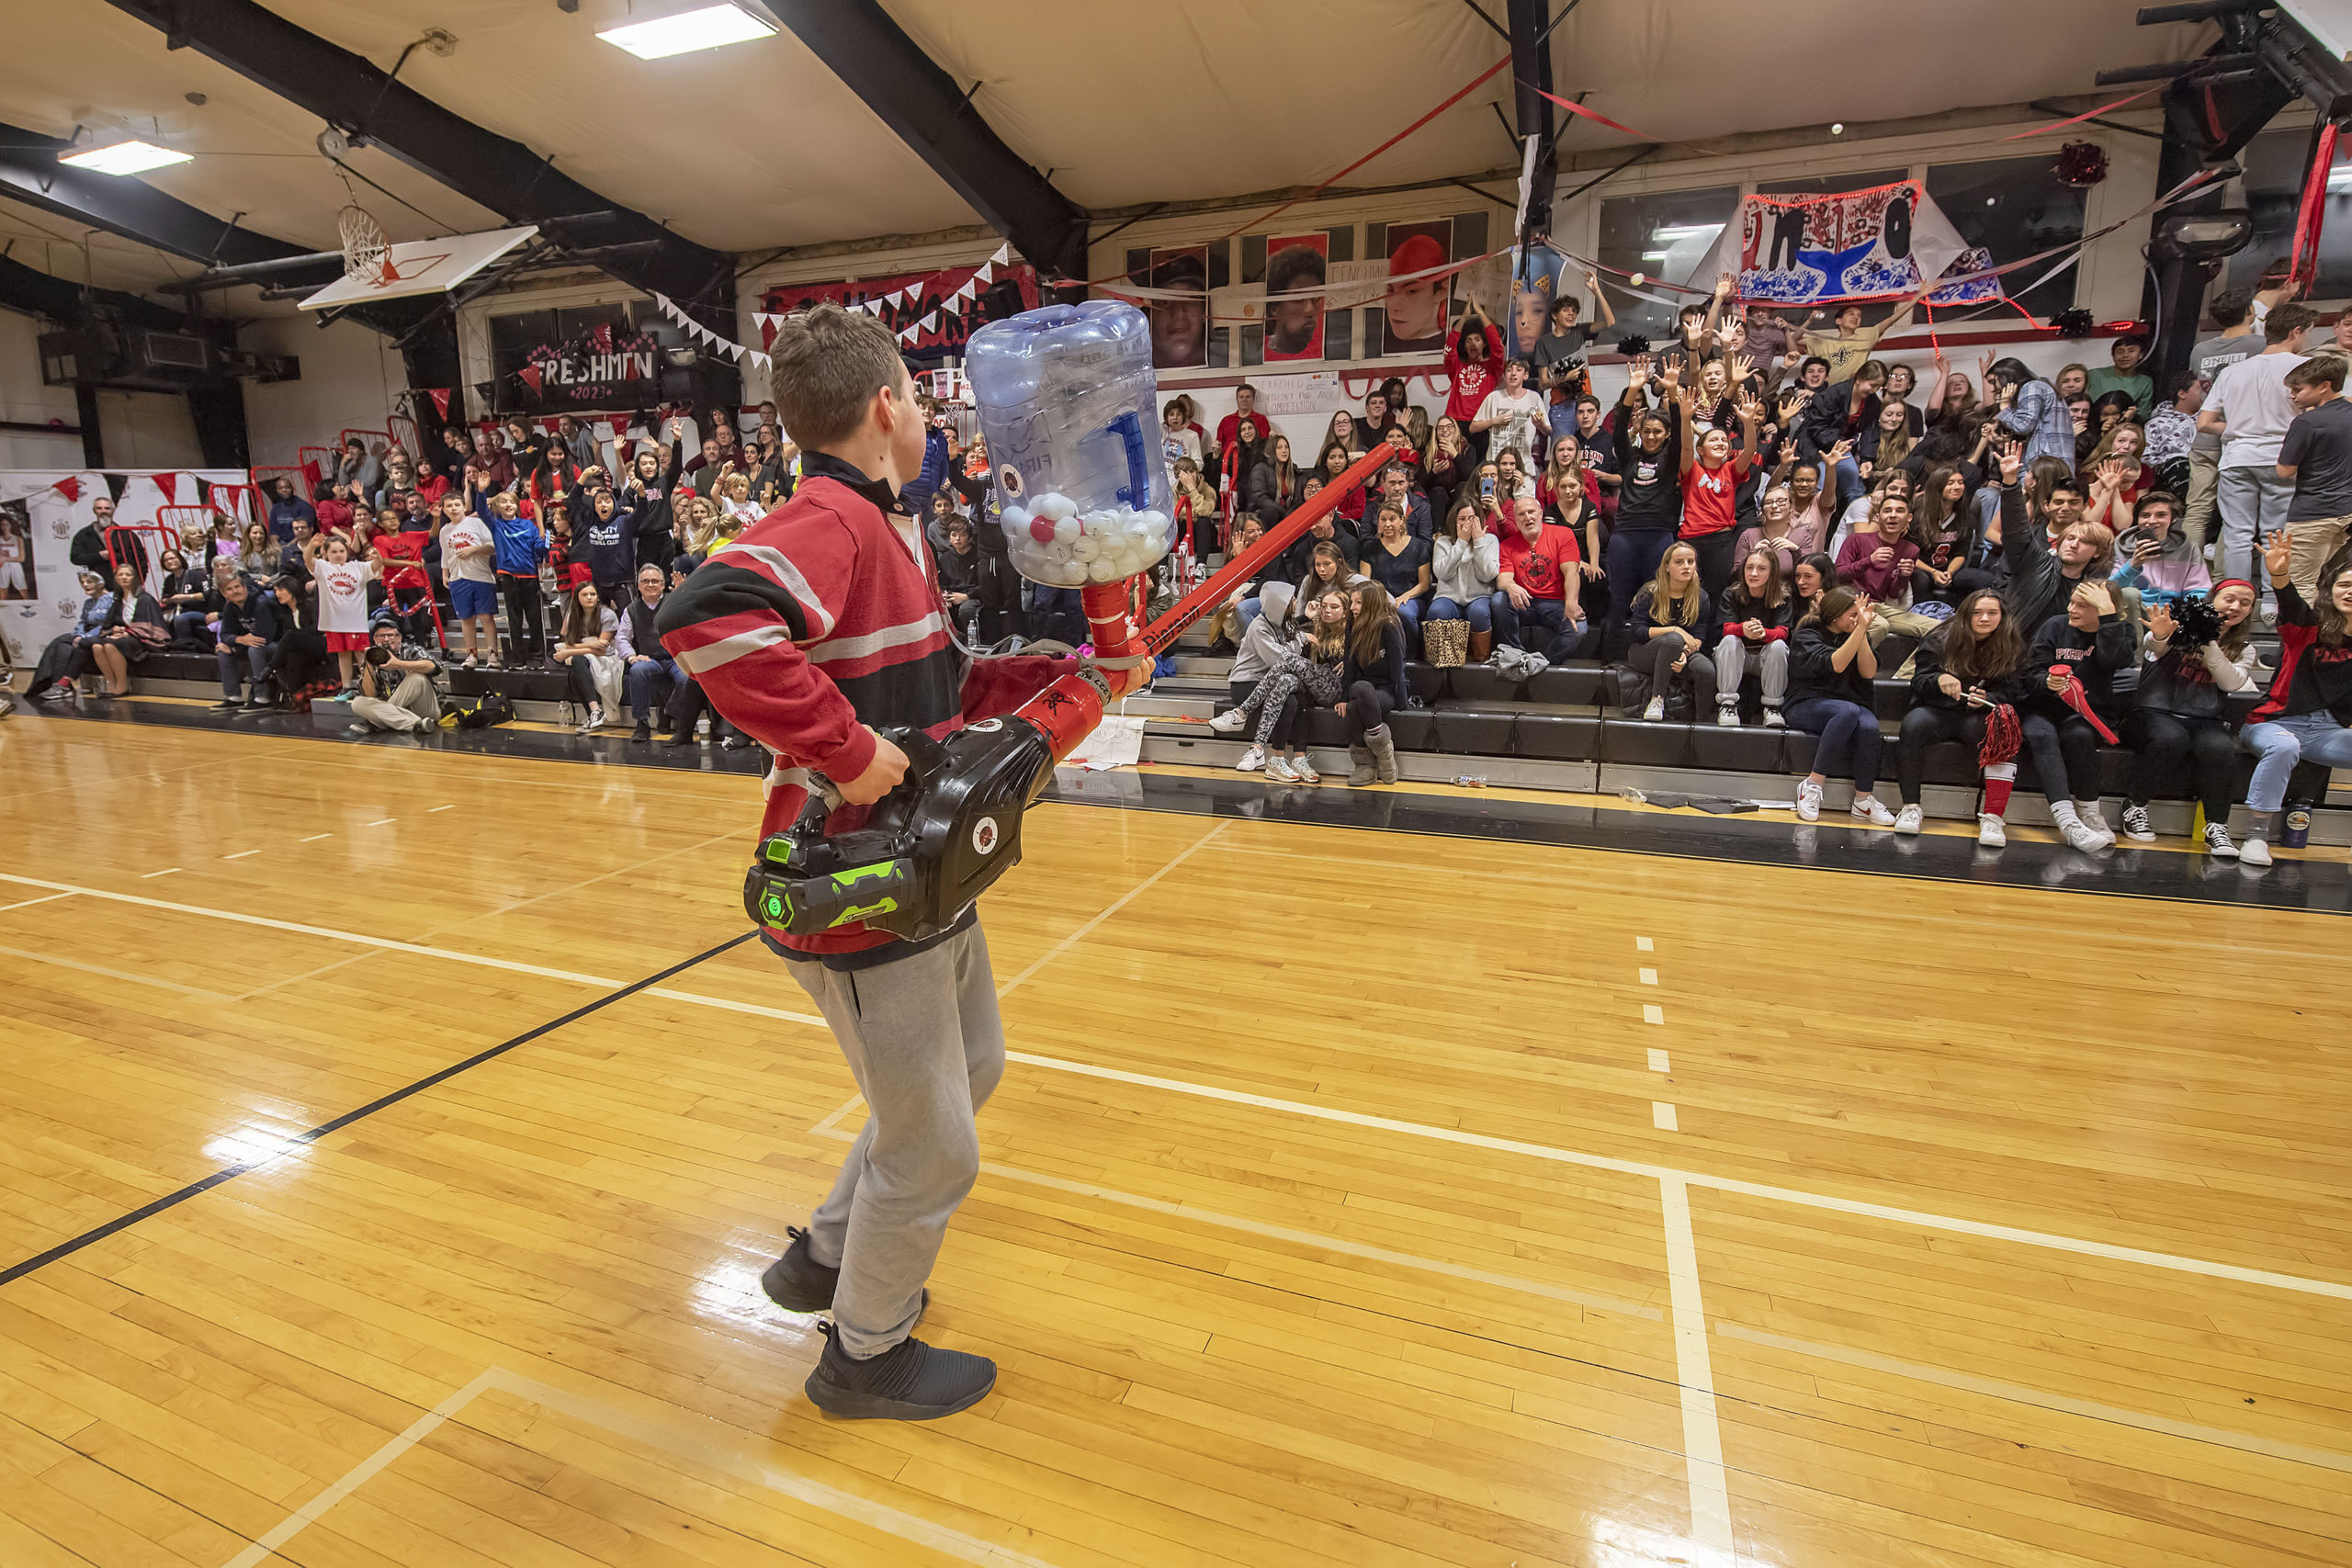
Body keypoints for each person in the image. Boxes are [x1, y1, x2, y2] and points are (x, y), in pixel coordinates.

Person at [651, 304, 1077, 1420]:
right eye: (923, 399)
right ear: (886, 405)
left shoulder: (890, 528)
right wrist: (847, 753)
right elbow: (708, 615)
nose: (932, 418)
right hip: (859, 892)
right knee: (936, 1157)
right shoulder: (831, 518)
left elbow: (925, 684)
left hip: (924, 878)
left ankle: (823, 1261)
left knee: (970, 1074)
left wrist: (1042, 675)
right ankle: (865, 1356)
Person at [2236, 532, 2352, 867]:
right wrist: (2279, 575)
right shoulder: (2308, 627)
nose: (2350, 591)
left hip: (2326, 731)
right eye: (2344, 584)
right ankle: (2257, 836)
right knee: (2285, 745)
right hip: (2274, 722)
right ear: (2330, 592)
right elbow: (2290, 603)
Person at [2122, 581, 2264, 853]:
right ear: (2213, 600)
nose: (2235, 607)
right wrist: (2161, 636)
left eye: (2244, 603)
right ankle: (2135, 805)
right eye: (2229, 599)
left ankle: (2217, 826)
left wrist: (2209, 640)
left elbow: (2231, 683)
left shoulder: (2244, 648)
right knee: (2171, 738)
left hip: (2204, 719)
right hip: (2153, 712)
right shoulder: (2177, 627)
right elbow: (2154, 647)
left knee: (2220, 747)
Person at [1892, 590, 2034, 844]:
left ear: (2002, 617)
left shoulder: (2012, 644)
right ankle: (1911, 806)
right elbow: (1919, 683)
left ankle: (1992, 816)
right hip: (1938, 710)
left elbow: (2015, 692)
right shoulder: (1938, 638)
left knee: (2002, 728)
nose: (1984, 619)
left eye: (1992, 613)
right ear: (1966, 615)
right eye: (1977, 613)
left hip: (1979, 713)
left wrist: (1989, 697)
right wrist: (1939, 679)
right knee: (1914, 724)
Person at [2202, 302, 2314, 589]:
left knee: (2237, 534)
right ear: (2296, 331)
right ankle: (2271, 600)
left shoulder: (2232, 372)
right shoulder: (2304, 368)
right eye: (2307, 334)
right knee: (2274, 534)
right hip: (2282, 457)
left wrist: (2239, 429)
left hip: (2237, 458)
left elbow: (2204, 423)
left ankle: (2236, 596)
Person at [2022, 579, 2134, 852]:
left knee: (2080, 736)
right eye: (2072, 601)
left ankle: (2090, 812)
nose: (2072, 608)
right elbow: (2031, 672)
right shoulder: (2054, 626)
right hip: (2043, 708)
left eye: (2083, 605)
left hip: (2090, 712)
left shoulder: (2122, 630)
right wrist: (2046, 682)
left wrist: (2108, 617)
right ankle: (2068, 821)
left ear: (2104, 609)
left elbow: (2115, 661)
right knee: (2042, 735)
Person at [1211, 583, 1349, 783]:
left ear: (1345, 612)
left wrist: (1349, 668)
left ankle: (1241, 713)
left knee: (1286, 660)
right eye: (1324, 605)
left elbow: (1364, 661)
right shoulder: (1307, 627)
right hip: (1301, 685)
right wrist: (1304, 627)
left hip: (1333, 689)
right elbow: (1291, 639)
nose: (1327, 610)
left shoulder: (1351, 632)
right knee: (1287, 686)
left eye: (1334, 607)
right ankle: (1262, 751)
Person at [1785, 587, 1897, 825]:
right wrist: (1859, 630)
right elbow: (1836, 664)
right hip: (1807, 702)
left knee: (1868, 726)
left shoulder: (1858, 632)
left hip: (1853, 702)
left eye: (1861, 614)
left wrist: (1861, 631)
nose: (1859, 619)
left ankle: (1863, 800)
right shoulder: (1808, 634)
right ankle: (1812, 785)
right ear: (1835, 615)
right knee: (1847, 712)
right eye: (1853, 614)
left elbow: (1868, 672)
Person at [1604, 357, 1684, 658]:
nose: (1651, 436)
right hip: (1625, 536)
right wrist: (1633, 389)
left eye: (1657, 432)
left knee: (1655, 599)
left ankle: (1650, 659)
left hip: (1659, 536)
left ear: (1665, 435)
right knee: (1619, 599)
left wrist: (1673, 393)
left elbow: (1678, 426)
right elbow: (1619, 427)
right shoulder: (1629, 456)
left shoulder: (1671, 457)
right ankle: (1609, 662)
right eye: (1647, 430)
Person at [2274, 355, 2352, 599]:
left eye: (2298, 389)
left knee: (2299, 584)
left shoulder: (2306, 422)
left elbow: (2284, 470)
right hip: (2348, 510)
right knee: (2333, 586)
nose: (2292, 395)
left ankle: (2305, 639)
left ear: (2324, 386)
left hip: (2314, 512)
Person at [1678, 381, 1762, 601]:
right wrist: (1686, 418)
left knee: (1716, 594)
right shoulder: (1692, 469)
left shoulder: (1731, 470)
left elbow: (1751, 449)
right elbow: (1686, 446)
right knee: (1689, 593)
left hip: (1722, 540)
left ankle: (1712, 635)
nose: (1720, 442)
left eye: (1723, 440)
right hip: (1692, 540)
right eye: (1713, 439)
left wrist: (1748, 422)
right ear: (1701, 449)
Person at [1492, 493, 1589, 667]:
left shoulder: (1563, 535)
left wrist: (1572, 602)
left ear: (1540, 514)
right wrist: (1511, 586)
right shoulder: (1507, 545)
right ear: (1515, 519)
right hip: (1524, 602)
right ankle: (1516, 655)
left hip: (1555, 603)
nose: (1527, 517)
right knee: (1499, 599)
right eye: (1521, 514)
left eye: (1531, 512)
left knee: (1579, 629)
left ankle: (1543, 662)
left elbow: (1571, 572)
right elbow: (1503, 579)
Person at [1216, 579, 1300, 774]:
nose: (1297, 603)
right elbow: (1280, 660)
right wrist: (1302, 638)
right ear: (1280, 604)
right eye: (1292, 599)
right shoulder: (1258, 627)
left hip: (1268, 681)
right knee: (1289, 702)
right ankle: (1275, 760)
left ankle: (1254, 739)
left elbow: (1291, 655)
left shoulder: (1287, 624)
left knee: (1294, 699)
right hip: (1245, 683)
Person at [1626, 542, 1713, 721]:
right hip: (1645, 653)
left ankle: (1703, 722)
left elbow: (1700, 635)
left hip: (1681, 654)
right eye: (1679, 562)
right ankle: (1656, 701)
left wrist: (1686, 654)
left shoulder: (1701, 597)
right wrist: (1675, 629)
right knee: (1673, 639)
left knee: (1707, 670)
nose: (1686, 566)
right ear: (1667, 567)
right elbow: (1636, 631)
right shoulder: (1650, 592)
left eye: (1690, 561)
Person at [1714, 547, 1793, 728]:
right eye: (1749, 567)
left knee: (1779, 645)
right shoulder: (1731, 593)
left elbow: (1783, 632)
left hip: (1765, 658)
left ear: (1772, 571)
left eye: (1761, 568)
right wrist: (1743, 629)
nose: (1754, 573)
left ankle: (1772, 707)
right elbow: (1726, 629)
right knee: (1730, 640)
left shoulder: (1783, 596)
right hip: (1737, 657)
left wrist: (1763, 633)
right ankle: (1727, 704)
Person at [1341, 580, 1408, 785]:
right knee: (1360, 690)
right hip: (1363, 686)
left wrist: (1402, 702)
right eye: (1352, 602)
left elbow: (1398, 667)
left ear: (1371, 603)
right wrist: (1342, 697)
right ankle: (1372, 761)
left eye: (1358, 603)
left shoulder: (1389, 625)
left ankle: (1373, 762)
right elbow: (1349, 663)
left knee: (1355, 708)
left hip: (1386, 688)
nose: (1352, 607)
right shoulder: (1352, 624)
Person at [1429, 497, 1501, 662]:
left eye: (1472, 519)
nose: (1467, 524)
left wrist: (1478, 542)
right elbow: (1443, 573)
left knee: (1479, 612)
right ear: (1454, 520)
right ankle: (1445, 661)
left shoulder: (1490, 540)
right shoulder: (1443, 542)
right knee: (1437, 611)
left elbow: (1487, 575)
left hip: (1479, 596)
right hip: (1449, 597)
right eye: (1462, 519)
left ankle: (1481, 659)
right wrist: (1461, 543)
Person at [304, 534, 374, 694]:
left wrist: (377, 556)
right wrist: (311, 545)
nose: (338, 554)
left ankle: (368, 685)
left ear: (347, 552)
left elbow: (376, 567)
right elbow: (308, 560)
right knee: (343, 655)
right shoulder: (323, 567)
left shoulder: (358, 566)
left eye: (341, 551)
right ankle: (347, 686)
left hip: (356, 621)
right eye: (334, 551)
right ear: (326, 553)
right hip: (334, 622)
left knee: (361, 654)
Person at [1359, 502, 1432, 654]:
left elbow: (1425, 583)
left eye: (1392, 519)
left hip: (1410, 598)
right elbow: (1365, 583)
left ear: (1402, 520)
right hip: (1380, 599)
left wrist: (1405, 596)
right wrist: (1384, 600)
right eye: (1383, 519)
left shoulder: (1418, 546)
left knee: (1403, 613)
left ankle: (1411, 656)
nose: (1387, 524)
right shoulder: (1369, 548)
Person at [347, 619, 442, 734]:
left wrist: (399, 664)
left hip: (425, 708)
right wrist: (368, 664)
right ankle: (416, 724)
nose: (386, 639)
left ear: (399, 638)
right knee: (357, 703)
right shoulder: (374, 656)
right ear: (375, 639)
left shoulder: (410, 650)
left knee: (416, 677)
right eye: (382, 636)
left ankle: (381, 722)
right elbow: (369, 694)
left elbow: (433, 666)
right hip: (396, 712)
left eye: (391, 635)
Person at [2109, 491, 2209, 598]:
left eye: (2161, 515)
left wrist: (2184, 612)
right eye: (2145, 515)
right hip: (2133, 607)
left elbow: (2199, 589)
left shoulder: (2188, 548)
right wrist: (2133, 565)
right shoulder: (2121, 544)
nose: (2151, 521)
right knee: (2130, 594)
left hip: (2172, 609)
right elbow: (2110, 589)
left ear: (2173, 519)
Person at [210, 570, 285, 710]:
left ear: (244, 587)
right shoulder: (229, 607)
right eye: (229, 589)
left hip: (277, 646)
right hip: (250, 645)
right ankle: (234, 697)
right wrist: (239, 640)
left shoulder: (262, 603)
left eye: (237, 587)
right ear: (224, 594)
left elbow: (264, 637)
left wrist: (237, 644)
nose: (235, 591)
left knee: (255, 648)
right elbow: (225, 635)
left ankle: (262, 698)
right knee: (222, 650)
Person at [552, 581, 618, 733]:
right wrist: (590, 644)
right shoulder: (572, 615)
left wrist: (570, 650)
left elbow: (603, 649)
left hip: (609, 657)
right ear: (577, 598)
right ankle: (594, 712)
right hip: (586, 657)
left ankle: (594, 713)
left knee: (577, 661)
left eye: (593, 594)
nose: (589, 597)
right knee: (577, 668)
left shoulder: (607, 614)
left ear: (598, 597)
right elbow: (566, 642)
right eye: (585, 594)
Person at [1985, 358, 2074, 469]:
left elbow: (2024, 426)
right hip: (2055, 461)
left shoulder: (2031, 387)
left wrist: (2005, 408)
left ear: (2006, 376)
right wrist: (2003, 439)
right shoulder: (2042, 386)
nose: (1993, 389)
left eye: (1993, 382)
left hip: (2047, 463)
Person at [1443, 302, 1505, 453]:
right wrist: (1463, 318)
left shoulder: (1493, 367)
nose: (1473, 344)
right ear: (1464, 345)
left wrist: (1480, 313)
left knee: (1481, 466)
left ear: (1484, 343)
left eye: (1477, 339)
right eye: (1468, 340)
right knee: (1457, 466)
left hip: (1482, 422)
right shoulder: (1457, 366)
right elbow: (1449, 348)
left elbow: (1497, 346)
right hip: (1456, 422)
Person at [1474, 358, 1547, 471]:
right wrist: (1493, 421)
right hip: (1494, 467)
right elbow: (1473, 427)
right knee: (1486, 488)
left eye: (1518, 370)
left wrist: (1540, 424)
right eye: (1509, 370)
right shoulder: (1493, 397)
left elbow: (1548, 431)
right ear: (1504, 375)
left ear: (1526, 375)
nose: (1513, 373)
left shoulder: (1534, 398)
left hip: (1524, 467)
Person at [2086, 333, 2154, 418]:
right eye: (2120, 351)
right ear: (2113, 356)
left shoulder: (2145, 382)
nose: (2125, 355)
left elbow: (2144, 414)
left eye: (2131, 351)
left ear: (2140, 355)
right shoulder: (2094, 375)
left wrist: (2132, 416)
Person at [1247, 434, 1304, 525]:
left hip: (1287, 514)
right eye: (1279, 448)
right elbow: (1258, 496)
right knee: (1271, 511)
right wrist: (1282, 511)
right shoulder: (1261, 468)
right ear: (1272, 451)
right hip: (1266, 514)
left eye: (1286, 447)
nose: (1284, 451)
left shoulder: (1295, 471)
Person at [157, 549, 210, 644]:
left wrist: (186, 597)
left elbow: (207, 595)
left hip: (200, 611)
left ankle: (186, 646)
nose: (169, 562)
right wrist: (169, 600)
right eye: (166, 560)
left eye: (172, 558)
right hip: (177, 611)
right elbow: (164, 598)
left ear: (180, 559)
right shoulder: (169, 579)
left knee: (181, 618)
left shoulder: (196, 574)